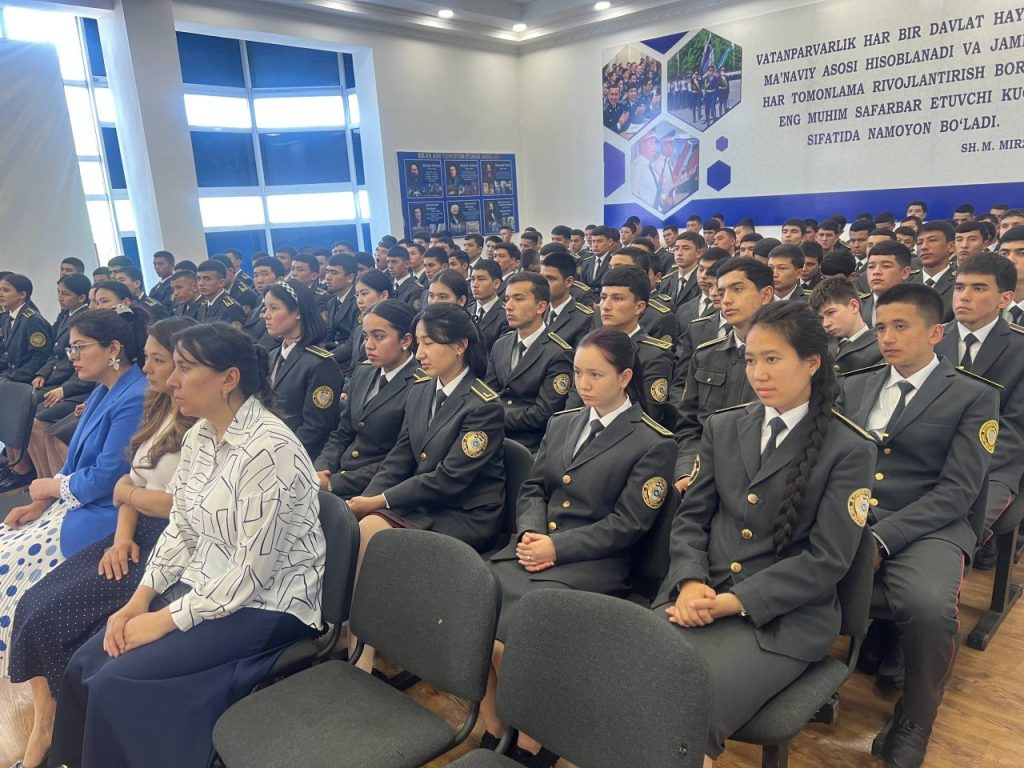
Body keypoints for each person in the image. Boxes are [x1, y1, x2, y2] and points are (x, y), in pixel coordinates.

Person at [50, 323, 327, 768]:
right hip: (207, 585)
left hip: (270, 604)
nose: (171, 380)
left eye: (184, 368)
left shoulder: (269, 450)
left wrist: (164, 621)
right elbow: (181, 527)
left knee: (117, 681)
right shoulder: (200, 435)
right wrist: (140, 600)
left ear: (229, 378)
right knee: (85, 662)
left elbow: (250, 574)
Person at [656, 301, 877, 764]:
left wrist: (733, 602)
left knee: (687, 706)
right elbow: (691, 519)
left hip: (782, 620)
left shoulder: (849, 448)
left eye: (772, 359)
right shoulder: (724, 426)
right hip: (700, 592)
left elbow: (828, 559)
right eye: (751, 359)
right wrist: (691, 580)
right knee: (626, 671)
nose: (758, 373)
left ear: (812, 363)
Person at [8, 317, 196, 768]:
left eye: (157, 360)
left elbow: (177, 504)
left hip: (173, 543)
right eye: (147, 357)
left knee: (57, 616)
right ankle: (45, 724)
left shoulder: (199, 422)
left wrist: (128, 498)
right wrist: (123, 533)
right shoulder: (157, 405)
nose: (146, 368)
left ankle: (55, 731)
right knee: (32, 604)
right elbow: (130, 478)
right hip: (134, 532)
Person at [482, 327, 676, 765]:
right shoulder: (563, 422)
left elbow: (629, 524)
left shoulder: (653, 442)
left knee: (518, 629)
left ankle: (534, 736)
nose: (583, 384)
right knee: (480, 607)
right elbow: (534, 488)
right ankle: (495, 723)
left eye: (595, 375)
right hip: (537, 546)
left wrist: (556, 547)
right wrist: (532, 533)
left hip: (595, 561)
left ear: (625, 377)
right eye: (577, 373)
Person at [838, 284, 998, 767]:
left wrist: (883, 537)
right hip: (855, 514)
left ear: (935, 333)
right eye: (881, 327)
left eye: (901, 326)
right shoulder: (856, 384)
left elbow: (958, 492)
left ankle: (916, 716)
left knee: (928, 608)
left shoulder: (972, 395)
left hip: (932, 523)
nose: (887, 337)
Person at [346, 303, 505, 671]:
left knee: (372, 530)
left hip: (465, 512)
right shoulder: (421, 390)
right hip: (424, 501)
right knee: (359, 523)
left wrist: (380, 500)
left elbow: (450, 479)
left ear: (460, 346)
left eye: (430, 343)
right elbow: (400, 456)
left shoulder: (483, 405)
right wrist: (367, 498)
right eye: (418, 343)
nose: (420, 353)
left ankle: (362, 653)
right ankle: (362, 640)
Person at [0, 308, 149, 686]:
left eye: (80, 348)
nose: (73, 358)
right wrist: (41, 502)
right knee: (6, 539)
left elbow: (108, 476)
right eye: (70, 349)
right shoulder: (104, 390)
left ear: (113, 348)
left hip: (105, 512)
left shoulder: (134, 396)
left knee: (12, 568)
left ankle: (22, 670)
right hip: (76, 503)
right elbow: (75, 464)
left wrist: (50, 488)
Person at [936, 253, 1024, 570]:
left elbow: (1015, 428)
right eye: (960, 287)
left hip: (992, 466)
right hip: (928, 455)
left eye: (978, 288)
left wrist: (964, 465)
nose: (964, 296)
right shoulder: (932, 338)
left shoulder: (1019, 349)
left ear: (1005, 299)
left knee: (953, 529)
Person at [673, 258, 774, 490]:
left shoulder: (792, 359)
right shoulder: (706, 356)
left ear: (766, 294)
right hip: (705, 475)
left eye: (737, 289)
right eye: (721, 292)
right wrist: (688, 471)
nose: (725, 299)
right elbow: (688, 426)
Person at [314, 301, 418, 498]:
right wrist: (321, 469)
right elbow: (342, 433)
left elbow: (400, 460)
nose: (368, 345)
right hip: (337, 474)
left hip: (374, 488)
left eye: (379, 337)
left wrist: (334, 484)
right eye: (365, 336)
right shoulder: (364, 371)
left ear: (405, 340)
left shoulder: (420, 384)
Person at [485, 273, 573, 452]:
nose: (509, 306)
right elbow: (488, 395)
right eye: (507, 299)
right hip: (492, 434)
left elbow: (543, 414)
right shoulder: (501, 344)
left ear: (541, 307)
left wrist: (494, 416)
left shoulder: (559, 353)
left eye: (518, 299)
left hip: (529, 445)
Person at [23, 274, 94, 483]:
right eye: (59, 293)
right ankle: (40, 476)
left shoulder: (84, 320)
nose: (60, 297)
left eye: (66, 294)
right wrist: (42, 373)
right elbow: (55, 354)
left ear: (81, 298)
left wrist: (64, 389)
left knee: (35, 421)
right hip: (59, 380)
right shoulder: (66, 316)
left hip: (78, 387)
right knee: (23, 411)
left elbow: (80, 366)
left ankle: (47, 479)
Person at [264, 280, 342, 459]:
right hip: (268, 448)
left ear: (298, 312)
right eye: (266, 308)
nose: (265, 315)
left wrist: (280, 456)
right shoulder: (272, 355)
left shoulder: (320, 364)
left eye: (274, 308)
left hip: (298, 457)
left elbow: (315, 428)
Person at [809, 276, 882, 375]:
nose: (825, 324)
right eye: (821, 318)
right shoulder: (819, 347)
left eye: (831, 313)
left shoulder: (882, 347)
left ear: (853, 306)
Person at [0, 274, 53, 384]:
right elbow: (7, 353)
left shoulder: (32, 320)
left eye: (6, 290)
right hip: (10, 373)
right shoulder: (6, 317)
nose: (1, 294)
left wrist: (10, 377)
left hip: (25, 378)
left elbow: (40, 358)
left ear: (22, 294)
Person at [540, 251, 595, 348]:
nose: (543, 284)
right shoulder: (537, 310)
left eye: (550, 279)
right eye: (542, 278)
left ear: (569, 282)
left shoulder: (584, 319)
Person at [322, 254, 359, 370]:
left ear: (350, 278)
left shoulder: (359, 302)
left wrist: (325, 358)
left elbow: (353, 343)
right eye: (327, 272)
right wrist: (321, 352)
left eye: (334, 273)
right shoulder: (332, 302)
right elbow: (327, 334)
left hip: (350, 362)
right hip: (334, 356)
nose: (328, 277)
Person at [469, 259, 510, 350]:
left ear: (496, 283)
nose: (474, 285)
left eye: (481, 279)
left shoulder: (507, 315)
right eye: (472, 279)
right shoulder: (467, 311)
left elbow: (500, 351)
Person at [195, 260, 246, 327]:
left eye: (207, 279)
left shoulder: (231, 308)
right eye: (198, 279)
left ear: (221, 283)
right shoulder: (203, 306)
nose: (201, 283)